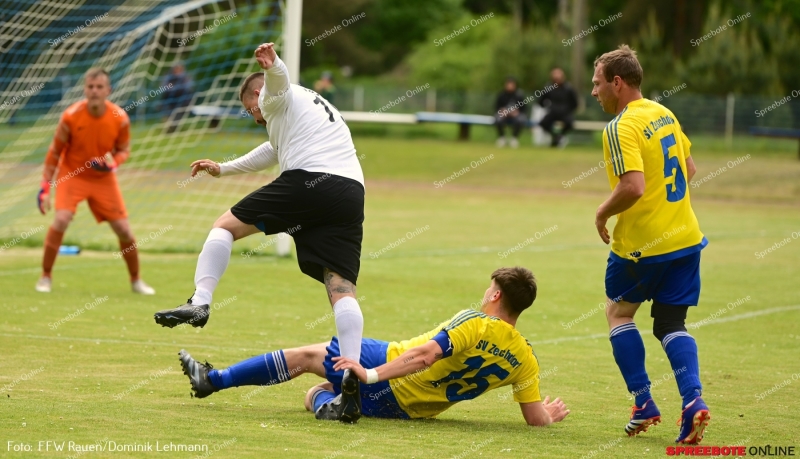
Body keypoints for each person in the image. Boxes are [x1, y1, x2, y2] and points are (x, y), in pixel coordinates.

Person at [153, 43, 366, 420]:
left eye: (251, 109)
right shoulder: (309, 108)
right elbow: (271, 150)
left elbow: (276, 85)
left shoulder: (273, 94)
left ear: (256, 94)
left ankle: (200, 300)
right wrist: (223, 168)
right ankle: (350, 374)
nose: (254, 116)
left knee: (224, 226)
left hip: (311, 179)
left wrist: (273, 65)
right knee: (342, 286)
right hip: (350, 192)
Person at [176, 267, 569, 425]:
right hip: (410, 412)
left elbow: (424, 356)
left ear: (496, 296)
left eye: (490, 288)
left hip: (388, 364)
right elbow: (535, 418)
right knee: (315, 392)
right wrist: (550, 415)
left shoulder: (477, 321)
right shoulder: (525, 358)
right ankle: (333, 404)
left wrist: (372, 371)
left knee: (312, 356)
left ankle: (215, 380)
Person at [590, 45, 709, 444]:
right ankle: (693, 401)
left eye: (597, 83)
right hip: (686, 239)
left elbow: (633, 186)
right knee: (672, 324)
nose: (594, 92)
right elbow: (689, 168)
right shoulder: (664, 113)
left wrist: (602, 213)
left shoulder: (619, 127)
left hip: (641, 248)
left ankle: (643, 403)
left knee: (619, 314)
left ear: (617, 83)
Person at [36, 68, 155, 295]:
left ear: (108, 90)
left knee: (124, 230)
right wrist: (45, 187)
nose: (94, 91)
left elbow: (123, 150)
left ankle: (136, 280)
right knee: (61, 219)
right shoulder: (70, 116)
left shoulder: (120, 118)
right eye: (90, 86)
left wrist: (112, 163)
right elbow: (54, 152)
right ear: (85, 89)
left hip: (103, 180)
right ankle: (45, 276)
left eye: (99, 87)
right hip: (72, 175)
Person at [538, 68, 579, 148]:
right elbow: (540, 101)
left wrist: (568, 110)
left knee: (570, 123)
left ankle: (560, 137)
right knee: (543, 123)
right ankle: (556, 137)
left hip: (565, 113)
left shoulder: (568, 88)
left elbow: (575, 103)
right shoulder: (548, 88)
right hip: (552, 112)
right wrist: (547, 106)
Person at [494, 77, 527, 148]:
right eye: (508, 84)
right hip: (503, 115)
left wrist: (516, 112)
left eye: (512, 84)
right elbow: (496, 107)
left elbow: (524, 108)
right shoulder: (501, 95)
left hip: (516, 115)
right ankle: (502, 138)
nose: (510, 86)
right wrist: (502, 111)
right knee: (497, 118)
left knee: (521, 119)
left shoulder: (519, 95)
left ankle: (514, 138)